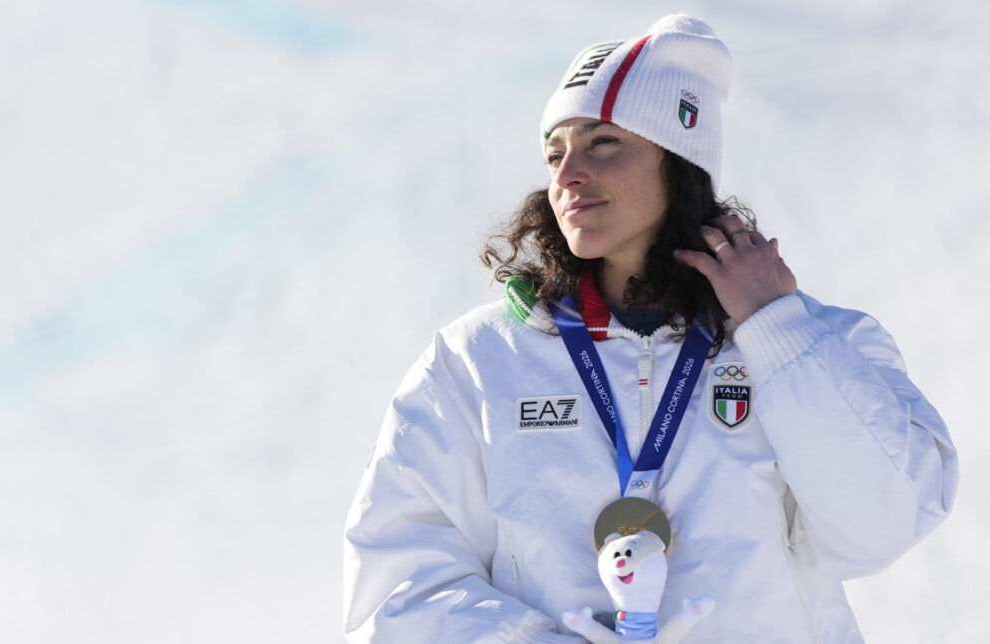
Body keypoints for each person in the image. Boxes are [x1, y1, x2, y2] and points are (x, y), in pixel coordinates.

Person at [343, 14, 957, 643]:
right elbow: (399, 586)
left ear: (679, 160)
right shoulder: (476, 361)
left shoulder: (817, 344)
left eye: (603, 142)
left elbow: (881, 526)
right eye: (554, 153)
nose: (566, 174)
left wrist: (778, 331)